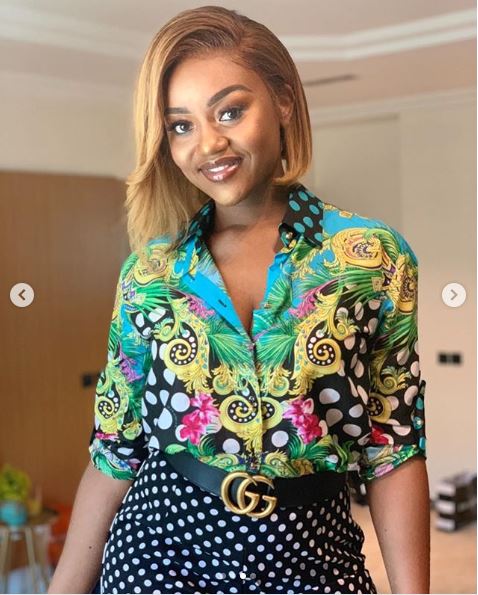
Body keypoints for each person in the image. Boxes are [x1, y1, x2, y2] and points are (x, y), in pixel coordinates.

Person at [48, 5, 430, 594]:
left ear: (283, 101)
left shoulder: (371, 257)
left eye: (230, 111)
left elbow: (393, 447)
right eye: (180, 126)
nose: (209, 144)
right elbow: (115, 450)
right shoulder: (150, 273)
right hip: (159, 553)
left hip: (314, 559)